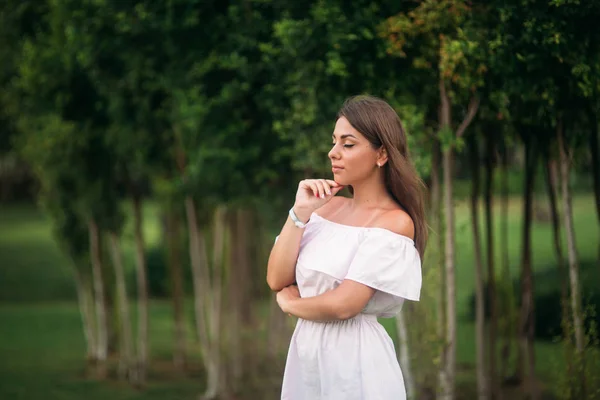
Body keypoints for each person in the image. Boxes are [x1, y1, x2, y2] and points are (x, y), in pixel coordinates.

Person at [266, 95, 428, 400]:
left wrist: (290, 305)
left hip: (356, 363)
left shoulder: (394, 223)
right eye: (334, 142)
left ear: (381, 154)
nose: (332, 153)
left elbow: (345, 305)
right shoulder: (325, 209)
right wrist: (299, 214)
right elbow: (276, 279)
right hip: (306, 357)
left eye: (348, 144)